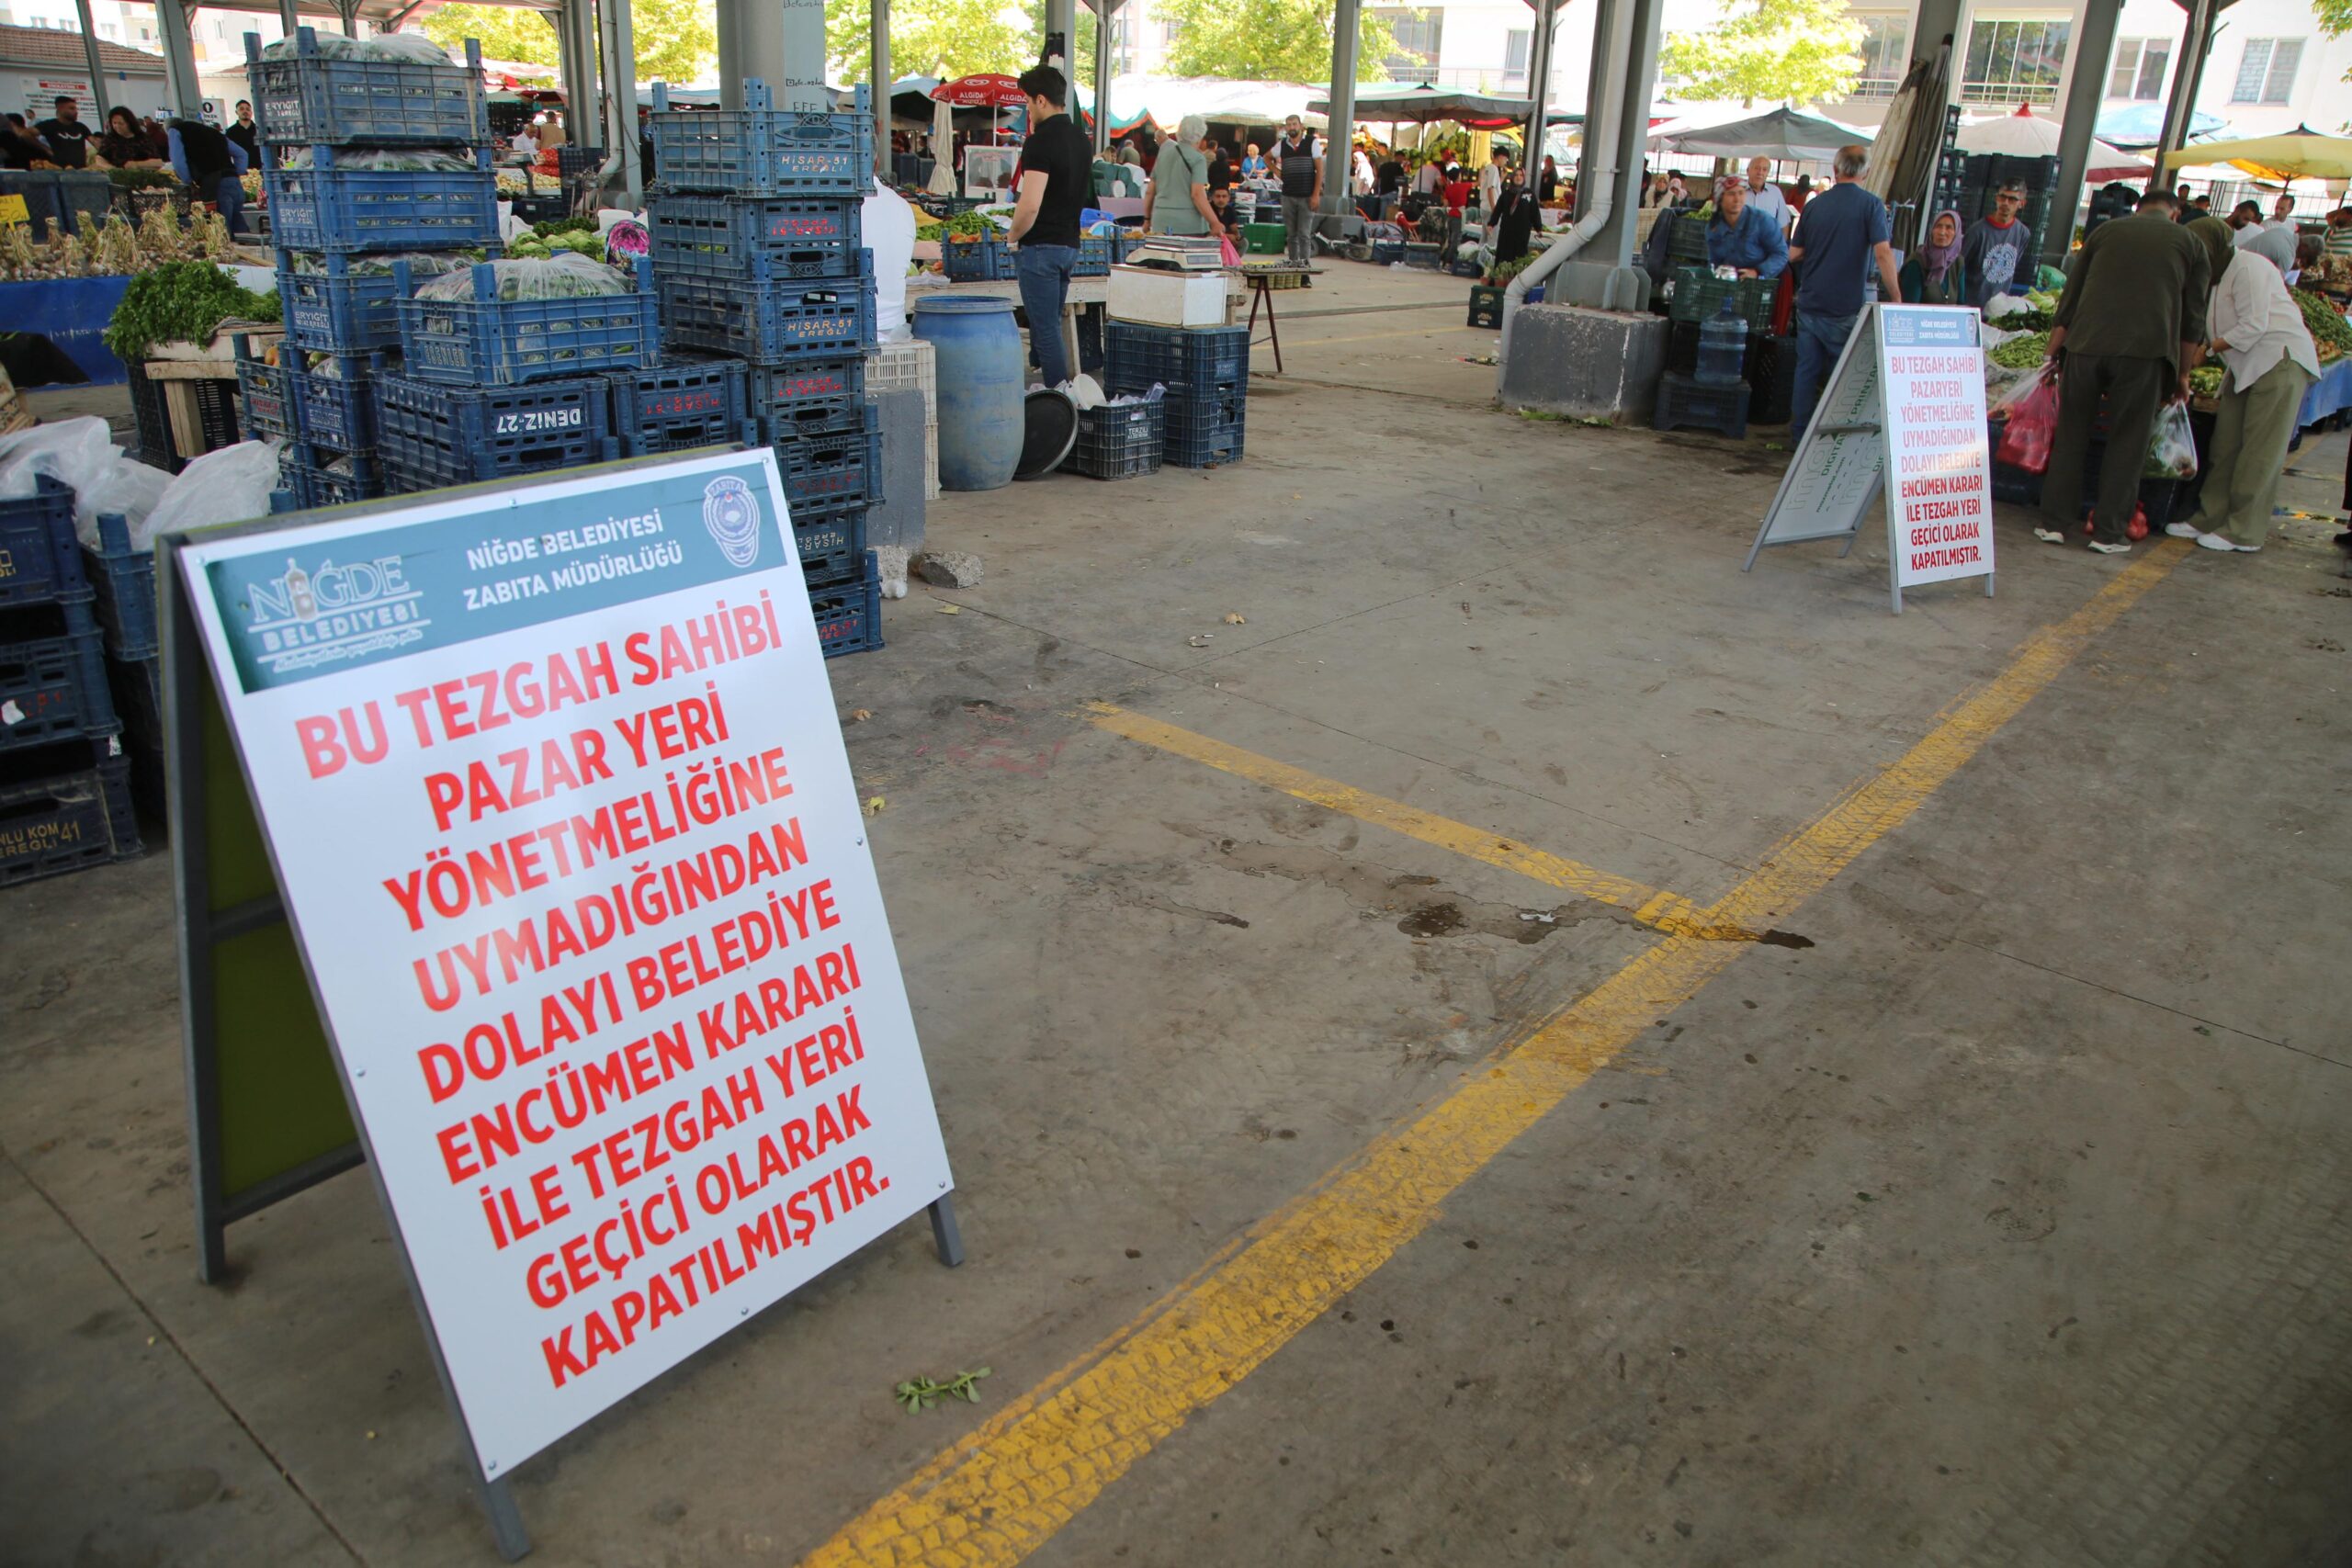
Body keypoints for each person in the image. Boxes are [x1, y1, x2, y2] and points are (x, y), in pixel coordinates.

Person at [2038, 187, 2210, 553]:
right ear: (2175, 213)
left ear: (2138, 209)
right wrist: (2181, 375)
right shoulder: (2190, 243)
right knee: (2127, 442)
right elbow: (2193, 320)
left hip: (2084, 347)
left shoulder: (2104, 232)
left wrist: (2052, 354)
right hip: (2144, 354)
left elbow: (2070, 298)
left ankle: (2053, 523)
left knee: (2071, 434)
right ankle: (2108, 533)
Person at [2165, 215, 2319, 554]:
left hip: (2280, 361)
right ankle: (2209, 516)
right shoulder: (2212, 277)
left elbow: (2253, 325)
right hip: (2244, 365)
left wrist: (2208, 350)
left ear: (2217, 247)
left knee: (2260, 451)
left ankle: (2243, 530)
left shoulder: (2249, 268)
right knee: (2226, 444)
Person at [1787, 145, 1900, 435]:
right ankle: (1831, 437)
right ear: (1867, 172)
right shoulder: (1871, 206)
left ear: (1835, 170)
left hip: (1810, 302)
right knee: (1842, 376)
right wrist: (1896, 297)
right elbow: (1884, 253)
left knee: (1806, 371)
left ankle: (1799, 434)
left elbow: (1794, 252)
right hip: (1844, 306)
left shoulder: (1814, 205)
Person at [1006, 64, 1091, 389]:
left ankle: (1060, 401)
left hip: (1040, 248)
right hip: (1069, 245)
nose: (1027, 109)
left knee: (1045, 331)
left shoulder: (1039, 142)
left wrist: (1012, 237)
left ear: (1041, 100)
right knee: (1050, 327)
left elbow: (1029, 205)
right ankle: (1053, 391)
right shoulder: (1081, 141)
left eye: (1027, 102)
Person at [168, 115, 247, 234]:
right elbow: (242, 154)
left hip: (213, 184)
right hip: (234, 181)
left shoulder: (175, 131)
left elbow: (178, 162)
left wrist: (187, 181)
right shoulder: (215, 133)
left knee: (221, 232)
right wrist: (237, 172)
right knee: (242, 232)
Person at [1961, 180, 2033, 309]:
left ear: (2022, 204)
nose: (2005, 203)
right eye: (2002, 197)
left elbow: (2011, 266)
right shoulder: (1977, 232)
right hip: (1971, 307)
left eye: (2012, 199)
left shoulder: (2023, 233)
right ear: (1996, 198)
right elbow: (1958, 268)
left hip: (1998, 308)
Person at [1148, 113, 1216, 240]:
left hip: (1160, 222)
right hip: (1189, 225)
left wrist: (1147, 219)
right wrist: (1214, 223)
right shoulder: (1198, 158)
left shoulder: (1163, 155)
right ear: (1200, 136)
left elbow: (1150, 191)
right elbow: (1197, 195)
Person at [1705, 176, 1787, 278]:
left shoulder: (1762, 220)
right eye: (1731, 194)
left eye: (1741, 193)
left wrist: (1757, 272)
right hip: (1729, 283)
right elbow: (1714, 261)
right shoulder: (1714, 227)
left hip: (1758, 285)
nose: (1737, 199)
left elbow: (1781, 254)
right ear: (1720, 198)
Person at [1274, 114, 1319, 266]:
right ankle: (1293, 267)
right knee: (1291, 235)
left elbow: (1320, 170)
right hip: (1288, 195)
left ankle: (1305, 270)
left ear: (1300, 126)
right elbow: (1266, 157)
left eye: (1294, 124)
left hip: (1306, 196)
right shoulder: (1282, 145)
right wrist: (1279, 172)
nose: (1292, 127)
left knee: (1304, 235)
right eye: (1289, 125)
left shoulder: (1312, 142)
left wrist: (1315, 195)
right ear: (1286, 127)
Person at [1899, 209, 1969, 304]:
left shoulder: (1958, 262)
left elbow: (1961, 304)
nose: (1942, 232)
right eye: (1938, 226)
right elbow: (1910, 307)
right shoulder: (1917, 262)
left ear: (1956, 233)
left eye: (1949, 228)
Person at [1490, 181, 1541, 265]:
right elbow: (1498, 209)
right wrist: (1491, 223)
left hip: (1522, 232)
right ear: (1513, 177)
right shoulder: (1506, 194)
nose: (1518, 177)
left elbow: (1534, 212)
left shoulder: (1529, 193)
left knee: (1520, 256)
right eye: (1516, 175)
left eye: (1521, 175)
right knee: (1504, 254)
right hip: (1507, 231)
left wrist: (1538, 228)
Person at [96, 107, 160, 169]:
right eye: (114, 123)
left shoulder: (143, 139)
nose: (117, 126)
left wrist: (136, 164)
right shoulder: (110, 139)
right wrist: (112, 169)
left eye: (121, 123)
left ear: (129, 123)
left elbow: (158, 162)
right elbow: (100, 158)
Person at [35, 96, 88, 168]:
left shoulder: (80, 126)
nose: (76, 111)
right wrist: (45, 148)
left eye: (76, 109)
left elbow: (95, 141)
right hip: (58, 170)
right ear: (60, 109)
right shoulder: (49, 125)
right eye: (72, 108)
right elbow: (26, 134)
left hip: (80, 171)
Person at [1743, 155, 1790, 234]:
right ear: (1748, 171)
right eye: (1757, 168)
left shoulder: (1775, 192)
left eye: (1764, 169)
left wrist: (1782, 245)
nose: (1760, 172)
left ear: (1767, 173)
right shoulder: (1738, 191)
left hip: (1767, 245)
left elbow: (1783, 224)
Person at [224, 100, 258, 170]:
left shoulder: (259, 130)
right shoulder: (231, 131)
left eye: (248, 109)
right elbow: (226, 153)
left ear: (251, 112)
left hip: (261, 169)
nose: (245, 111)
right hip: (240, 170)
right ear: (237, 112)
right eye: (241, 109)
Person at [1478, 146, 1507, 215]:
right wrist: (1494, 209)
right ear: (1500, 157)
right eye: (1505, 159)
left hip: (1484, 206)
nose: (1505, 162)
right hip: (1489, 208)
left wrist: (1502, 178)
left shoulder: (1488, 167)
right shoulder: (1494, 169)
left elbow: (1492, 187)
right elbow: (1490, 189)